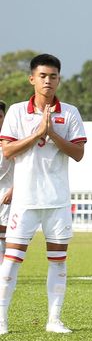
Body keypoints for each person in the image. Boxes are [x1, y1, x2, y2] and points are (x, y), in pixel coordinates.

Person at [0, 54, 86, 334]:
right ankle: (1, 320)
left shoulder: (70, 112)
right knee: (11, 261)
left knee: (58, 260)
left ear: (59, 79)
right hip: (24, 200)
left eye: (53, 76)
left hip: (57, 200)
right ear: (32, 79)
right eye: (43, 76)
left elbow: (78, 153)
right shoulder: (15, 111)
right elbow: (8, 150)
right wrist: (38, 133)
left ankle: (54, 320)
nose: (48, 81)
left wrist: (53, 134)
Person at [0, 101, 13, 267]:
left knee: (4, 236)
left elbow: (23, 166)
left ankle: (3, 274)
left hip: (6, 193)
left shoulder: (10, 140)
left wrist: (13, 190)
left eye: (0, 116)